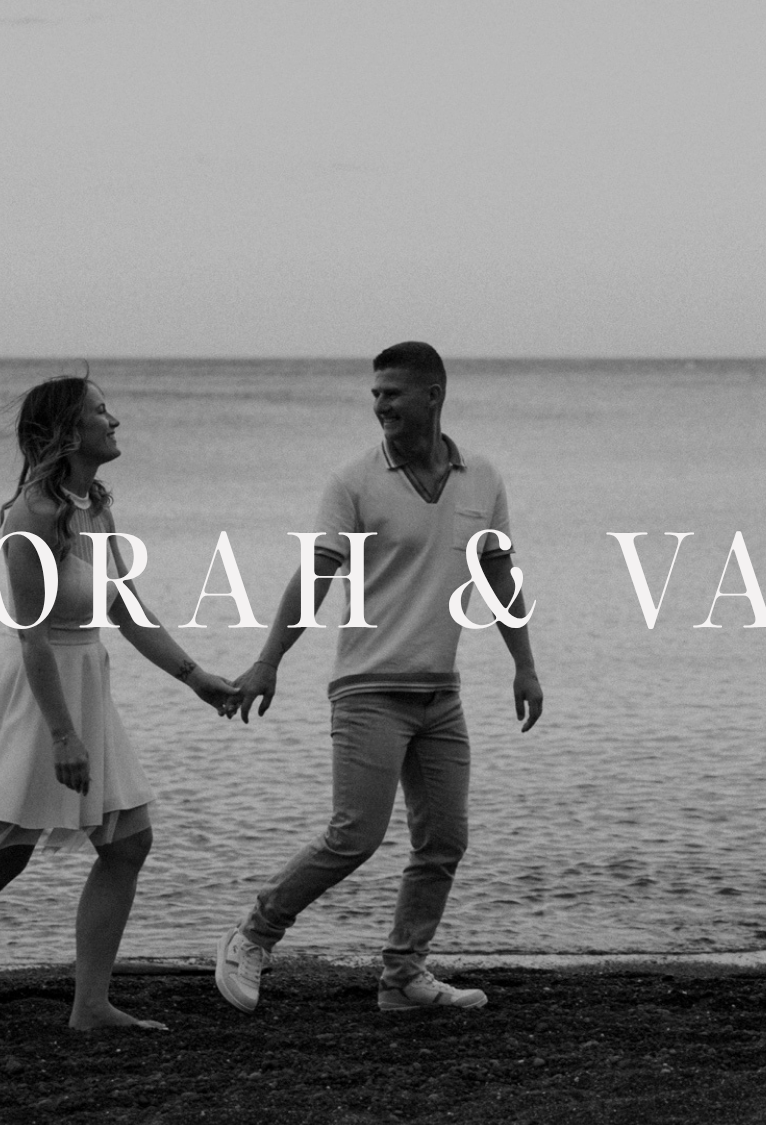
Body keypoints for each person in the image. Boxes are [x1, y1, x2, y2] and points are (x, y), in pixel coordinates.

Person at [215, 341, 542, 1013]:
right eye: (376, 394)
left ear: (433, 395)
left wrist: (525, 664)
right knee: (354, 835)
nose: (381, 405)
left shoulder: (482, 477)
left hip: (440, 694)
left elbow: (499, 574)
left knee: (444, 841)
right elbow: (316, 575)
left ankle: (402, 976)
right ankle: (253, 935)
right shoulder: (354, 481)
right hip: (368, 690)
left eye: (393, 393)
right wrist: (270, 659)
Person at [0, 375, 234, 1030]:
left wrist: (196, 678)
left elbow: (127, 607)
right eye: (100, 412)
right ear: (65, 433)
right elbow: (31, 637)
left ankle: (90, 1005)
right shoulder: (33, 515)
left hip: (87, 683)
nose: (115, 420)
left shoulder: (95, 507)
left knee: (128, 842)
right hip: (40, 695)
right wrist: (62, 735)